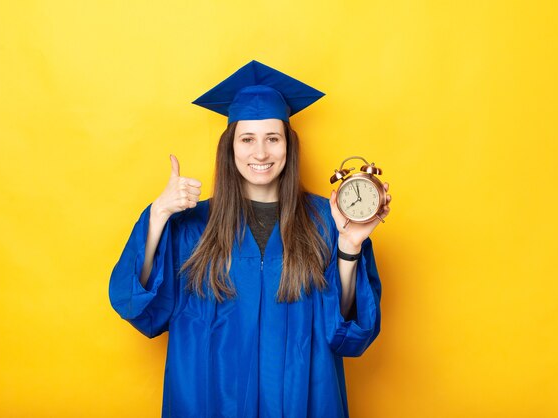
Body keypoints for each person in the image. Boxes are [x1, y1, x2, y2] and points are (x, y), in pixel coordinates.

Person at [109, 60, 391, 418]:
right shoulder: (192, 227)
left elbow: (350, 337)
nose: (260, 153)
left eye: (273, 138)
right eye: (247, 139)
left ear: (289, 146)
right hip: (210, 404)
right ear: (230, 147)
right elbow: (140, 309)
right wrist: (158, 216)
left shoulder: (327, 221)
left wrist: (349, 248)